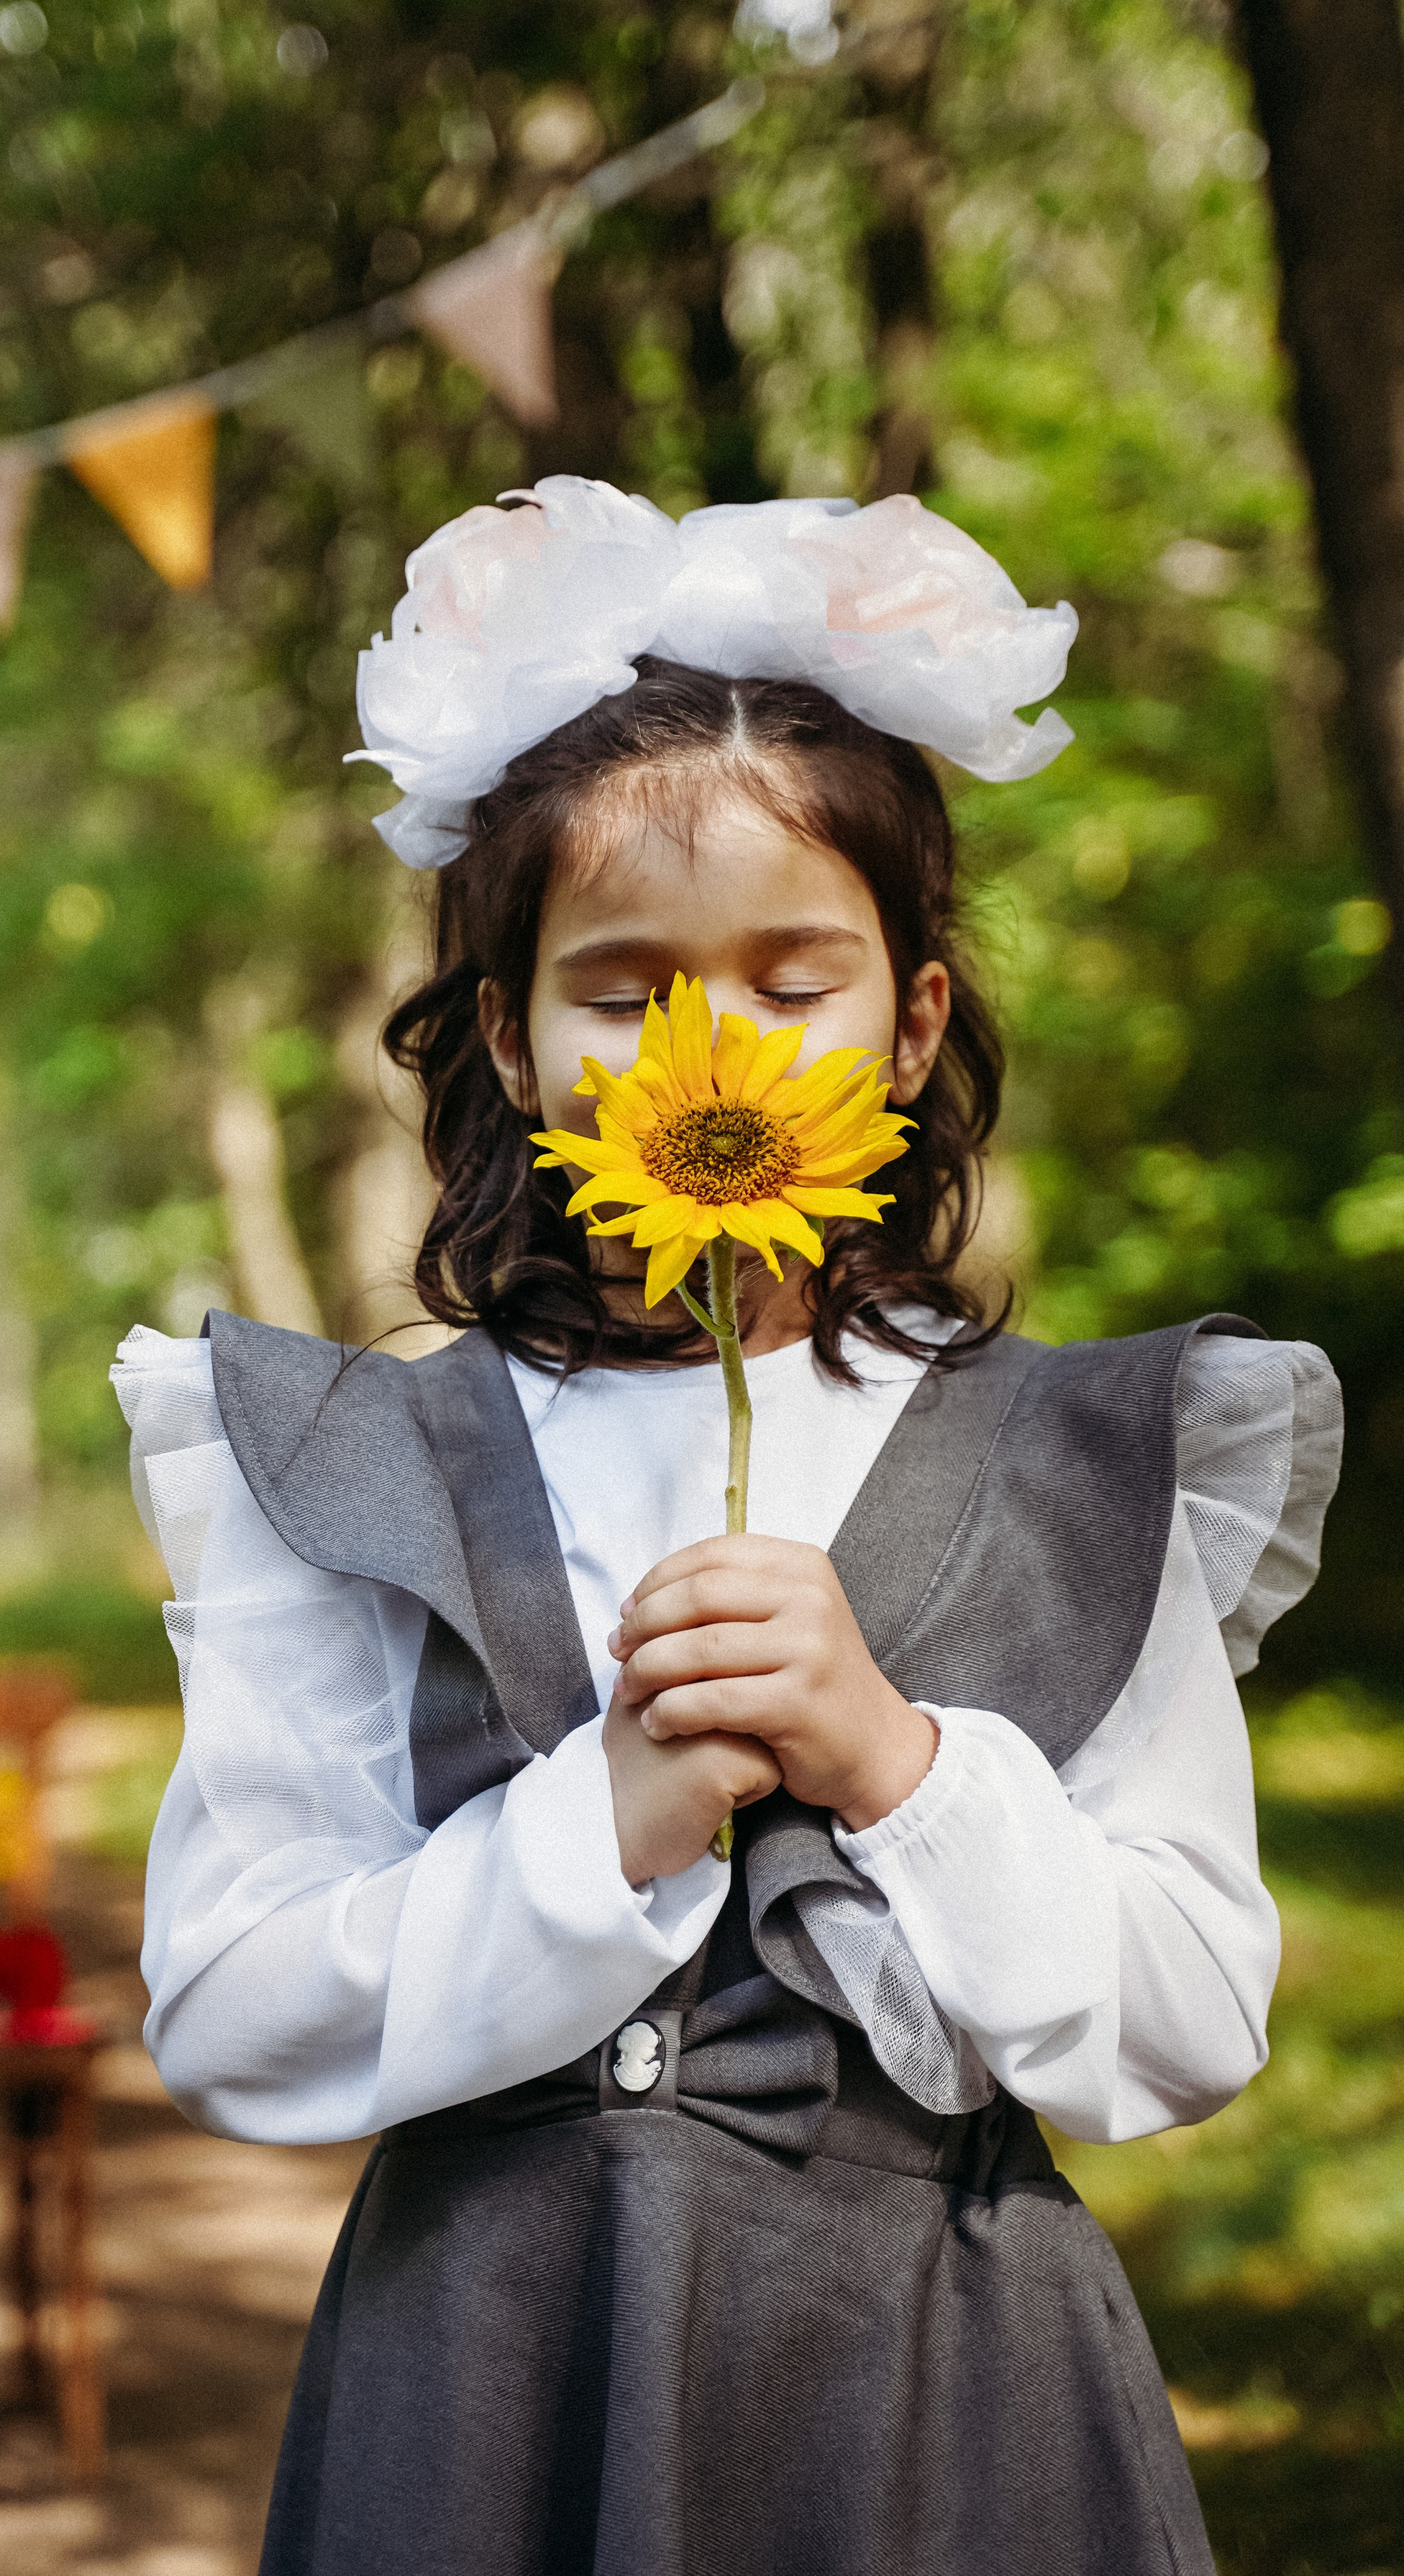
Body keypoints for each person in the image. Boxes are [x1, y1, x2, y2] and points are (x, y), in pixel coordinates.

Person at [114, 480, 1341, 2576]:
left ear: (917, 1021)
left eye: (798, 978)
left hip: (944, 2396)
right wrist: (605, 1816)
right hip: (499, 2385)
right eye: (622, 993)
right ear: (507, 1036)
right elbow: (238, 2009)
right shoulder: (351, 1470)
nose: (720, 1047)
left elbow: (1188, 2018)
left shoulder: (1083, 1458)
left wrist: (907, 1770)